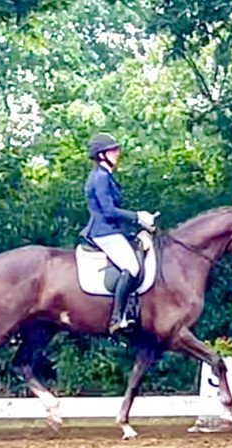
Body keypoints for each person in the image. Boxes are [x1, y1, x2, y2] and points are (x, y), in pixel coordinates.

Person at [80, 133, 158, 335]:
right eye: (113, 150)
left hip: (113, 230)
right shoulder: (100, 177)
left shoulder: (105, 176)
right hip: (104, 231)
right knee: (131, 267)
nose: (117, 153)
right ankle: (117, 318)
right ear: (101, 154)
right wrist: (138, 217)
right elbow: (108, 210)